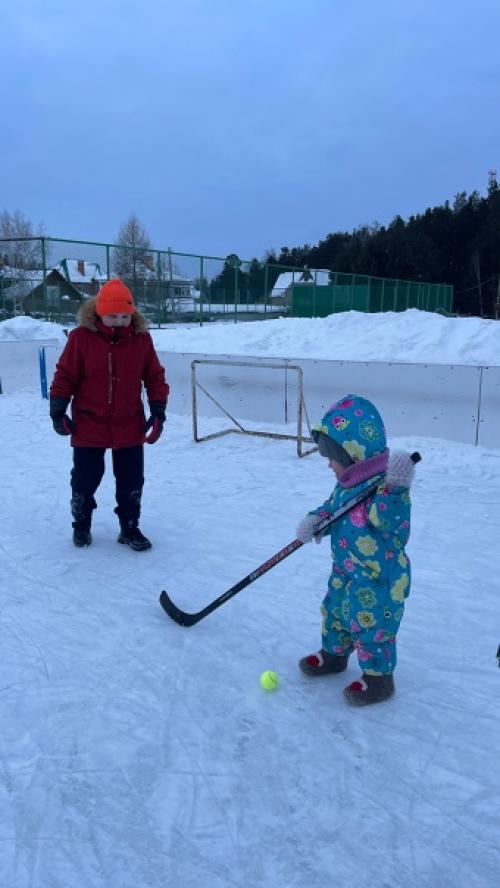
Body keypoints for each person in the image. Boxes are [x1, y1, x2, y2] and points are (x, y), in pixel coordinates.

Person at [296, 394, 418, 706]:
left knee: (371, 626)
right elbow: (333, 508)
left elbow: (390, 522)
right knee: (335, 611)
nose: (328, 463)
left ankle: (379, 680)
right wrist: (316, 521)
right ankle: (334, 655)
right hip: (346, 570)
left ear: (353, 454)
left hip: (379, 581)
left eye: (330, 454)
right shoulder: (348, 483)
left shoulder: (384, 488)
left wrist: (396, 488)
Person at [49, 278, 169, 551]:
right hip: (89, 423)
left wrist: (158, 409)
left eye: (125, 316)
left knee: (131, 480)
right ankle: (81, 524)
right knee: (85, 478)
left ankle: (129, 527)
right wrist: (58, 409)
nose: (119, 321)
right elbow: (65, 375)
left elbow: (154, 376)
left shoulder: (141, 339)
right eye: (113, 315)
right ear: (99, 313)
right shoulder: (81, 338)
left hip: (129, 423)